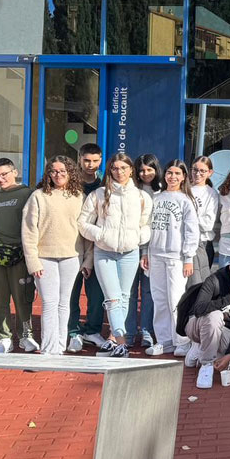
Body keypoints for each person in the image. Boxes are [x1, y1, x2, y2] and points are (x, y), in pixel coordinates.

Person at [77, 152, 152, 358]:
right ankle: (121, 341)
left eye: (123, 168)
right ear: (110, 170)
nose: (119, 172)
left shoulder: (141, 197)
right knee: (112, 298)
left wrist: (138, 237)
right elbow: (83, 223)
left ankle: (116, 341)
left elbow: (146, 225)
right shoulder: (99, 195)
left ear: (131, 170)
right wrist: (100, 235)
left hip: (130, 252)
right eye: (115, 168)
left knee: (125, 297)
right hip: (104, 253)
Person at [22, 156, 86, 356]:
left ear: (70, 173)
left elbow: (85, 231)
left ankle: (60, 344)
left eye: (62, 171)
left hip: (71, 256)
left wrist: (87, 259)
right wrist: (32, 261)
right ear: (48, 174)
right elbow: (28, 230)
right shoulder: (38, 196)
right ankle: (49, 348)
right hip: (44, 258)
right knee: (49, 302)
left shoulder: (78, 196)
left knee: (64, 302)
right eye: (54, 171)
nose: (58, 175)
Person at [143, 160, 200, 357]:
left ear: (184, 176)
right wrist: (145, 253)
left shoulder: (186, 200)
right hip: (156, 255)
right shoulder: (155, 198)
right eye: (169, 172)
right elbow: (147, 227)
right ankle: (164, 340)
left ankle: (182, 341)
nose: (172, 177)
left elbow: (192, 231)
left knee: (176, 299)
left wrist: (188, 257)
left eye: (177, 173)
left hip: (176, 258)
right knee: (159, 300)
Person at [0, 158, 37, 353]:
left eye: (4, 174)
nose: (0, 179)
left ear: (15, 172)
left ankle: (25, 335)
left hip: (21, 255)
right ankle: (4, 338)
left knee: (23, 298)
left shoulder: (29, 195)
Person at [178, 249, 230, 388]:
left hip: (223, 330)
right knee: (215, 316)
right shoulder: (214, 280)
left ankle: (203, 348)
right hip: (196, 325)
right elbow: (199, 309)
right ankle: (206, 365)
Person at [66, 143, 105, 352]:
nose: (90, 165)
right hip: (70, 246)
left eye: (95, 160)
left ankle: (93, 330)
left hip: (96, 247)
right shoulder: (67, 184)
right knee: (71, 293)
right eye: (86, 160)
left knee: (96, 294)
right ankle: (73, 332)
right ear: (79, 158)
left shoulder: (104, 186)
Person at [127, 153, 164, 347]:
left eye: (149, 169)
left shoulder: (163, 191)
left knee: (149, 293)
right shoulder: (131, 190)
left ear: (156, 169)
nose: (145, 173)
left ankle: (147, 331)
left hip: (154, 249)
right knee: (131, 292)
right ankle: (129, 332)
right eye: (141, 170)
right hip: (131, 247)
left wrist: (147, 252)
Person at [188, 156, 220, 288]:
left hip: (202, 244)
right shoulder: (184, 189)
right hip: (183, 243)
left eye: (202, 171)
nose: (198, 173)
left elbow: (207, 223)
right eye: (195, 170)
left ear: (209, 173)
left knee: (199, 286)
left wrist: (187, 220)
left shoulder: (211, 194)